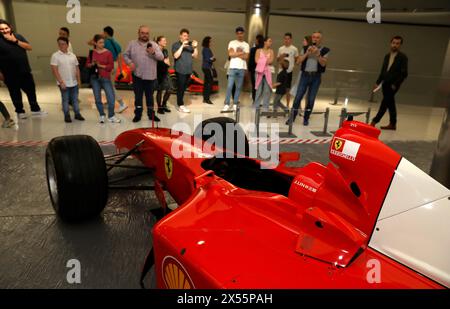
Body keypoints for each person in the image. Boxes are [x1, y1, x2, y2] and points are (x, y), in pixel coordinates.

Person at [0, 19, 46, 119]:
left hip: (24, 70)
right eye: (2, 29)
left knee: (31, 90)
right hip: (9, 73)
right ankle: (20, 112)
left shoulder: (18, 36)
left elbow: (29, 47)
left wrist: (15, 41)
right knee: (15, 92)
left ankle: (35, 109)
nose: (4, 30)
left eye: (6, 28)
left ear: (10, 27)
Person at [123, 25, 164, 122]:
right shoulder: (132, 44)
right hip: (137, 76)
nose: (145, 35)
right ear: (138, 33)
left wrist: (153, 53)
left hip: (150, 77)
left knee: (150, 98)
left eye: (147, 33)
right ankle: (138, 114)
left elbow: (161, 57)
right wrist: (130, 63)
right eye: (142, 33)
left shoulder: (153, 44)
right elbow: (125, 55)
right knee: (138, 97)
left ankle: (151, 114)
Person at [289, 31, 330, 126]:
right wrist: (307, 53)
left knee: (311, 99)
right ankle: (292, 117)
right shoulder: (305, 48)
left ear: (321, 39)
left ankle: (306, 118)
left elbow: (323, 63)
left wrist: (318, 54)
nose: (315, 39)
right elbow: (298, 62)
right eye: (313, 37)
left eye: (317, 37)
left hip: (316, 77)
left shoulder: (325, 50)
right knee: (298, 97)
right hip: (305, 75)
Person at [370, 36, 408, 130]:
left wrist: (395, 84)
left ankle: (374, 121)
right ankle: (393, 123)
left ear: (400, 45)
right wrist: (377, 82)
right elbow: (383, 71)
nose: (395, 45)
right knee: (390, 103)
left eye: (397, 43)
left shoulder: (403, 57)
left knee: (385, 102)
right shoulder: (387, 56)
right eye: (394, 43)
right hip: (385, 83)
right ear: (391, 43)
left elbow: (404, 74)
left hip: (393, 85)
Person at [86, 34, 121, 124]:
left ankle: (111, 115)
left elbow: (110, 67)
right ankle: (102, 115)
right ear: (95, 43)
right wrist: (92, 64)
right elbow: (87, 65)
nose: (102, 44)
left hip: (105, 78)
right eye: (100, 42)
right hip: (94, 78)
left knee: (111, 98)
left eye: (103, 42)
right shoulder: (91, 53)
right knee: (97, 98)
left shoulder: (108, 53)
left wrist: (100, 65)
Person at [50, 37, 85, 123]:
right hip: (63, 83)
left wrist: (79, 80)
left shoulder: (72, 55)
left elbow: (77, 69)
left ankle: (77, 114)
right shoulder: (55, 56)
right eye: (59, 44)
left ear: (67, 44)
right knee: (65, 100)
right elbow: (54, 70)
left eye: (63, 44)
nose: (61, 46)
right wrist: (61, 82)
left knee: (75, 99)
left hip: (74, 82)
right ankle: (67, 115)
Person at [223, 26, 250, 112]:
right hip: (233, 67)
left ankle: (235, 103)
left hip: (241, 68)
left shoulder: (246, 44)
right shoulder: (232, 43)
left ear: (243, 34)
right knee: (229, 86)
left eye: (241, 33)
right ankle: (227, 104)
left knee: (238, 87)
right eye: (238, 33)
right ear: (236, 34)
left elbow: (246, 56)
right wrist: (242, 52)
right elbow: (231, 54)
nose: (239, 35)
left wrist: (236, 53)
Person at [172, 28, 198, 113]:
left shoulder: (190, 46)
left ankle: (181, 104)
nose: (186, 37)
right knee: (180, 88)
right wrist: (182, 46)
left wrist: (195, 47)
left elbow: (195, 56)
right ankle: (180, 105)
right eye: (184, 35)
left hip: (188, 70)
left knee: (183, 88)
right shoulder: (176, 44)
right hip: (180, 70)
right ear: (180, 36)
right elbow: (176, 56)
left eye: (187, 36)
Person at [103, 26, 128, 113]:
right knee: (110, 85)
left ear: (106, 33)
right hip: (115, 65)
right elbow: (120, 58)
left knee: (109, 86)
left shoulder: (104, 43)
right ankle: (109, 102)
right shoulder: (117, 44)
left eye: (103, 33)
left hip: (108, 66)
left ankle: (122, 103)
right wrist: (121, 70)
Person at [277, 33, 299, 108]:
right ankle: (276, 104)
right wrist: (281, 56)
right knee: (279, 88)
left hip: (289, 72)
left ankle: (287, 105)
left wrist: (293, 66)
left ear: (291, 39)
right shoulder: (280, 49)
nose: (286, 40)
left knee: (287, 89)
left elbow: (297, 60)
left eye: (288, 39)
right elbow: (277, 60)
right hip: (280, 71)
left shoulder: (294, 49)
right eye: (285, 38)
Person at [254, 37, 274, 113]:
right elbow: (256, 60)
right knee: (258, 90)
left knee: (267, 90)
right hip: (259, 72)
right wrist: (266, 60)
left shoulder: (271, 51)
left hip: (268, 72)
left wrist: (261, 60)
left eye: (271, 41)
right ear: (265, 42)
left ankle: (266, 107)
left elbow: (271, 61)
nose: (270, 43)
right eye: (269, 41)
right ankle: (256, 106)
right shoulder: (258, 50)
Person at [156, 35, 172, 114]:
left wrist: (164, 62)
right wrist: (164, 62)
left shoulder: (165, 51)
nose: (166, 42)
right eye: (164, 40)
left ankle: (164, 105)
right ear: (159, 42)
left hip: (166, 72)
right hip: (158, 73)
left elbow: (168, 63)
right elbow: (158, 63)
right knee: (160, 90)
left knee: (169, 89)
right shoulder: (156, 51)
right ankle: (159, 108)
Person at [248, 34, 264, 102]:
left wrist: (249, 69)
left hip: (254, 69)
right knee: (261, 86)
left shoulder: (253, 49)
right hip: (262, 70)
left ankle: (255, 100)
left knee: (254, 86)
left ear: (257, 40)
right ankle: (259, 100)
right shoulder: (264, 50)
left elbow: (251, 60)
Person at [201, 36, 215, 105]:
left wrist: (212, 58)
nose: (211, 42)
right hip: (206, 67)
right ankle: (207, 99)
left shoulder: (206, 49)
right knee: (210, 82)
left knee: (206, 83)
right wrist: (213, 59)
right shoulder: (206, 49)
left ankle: (205, 98)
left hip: (205, 67)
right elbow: (208, 59)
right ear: (207, 42)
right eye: (210, 41)